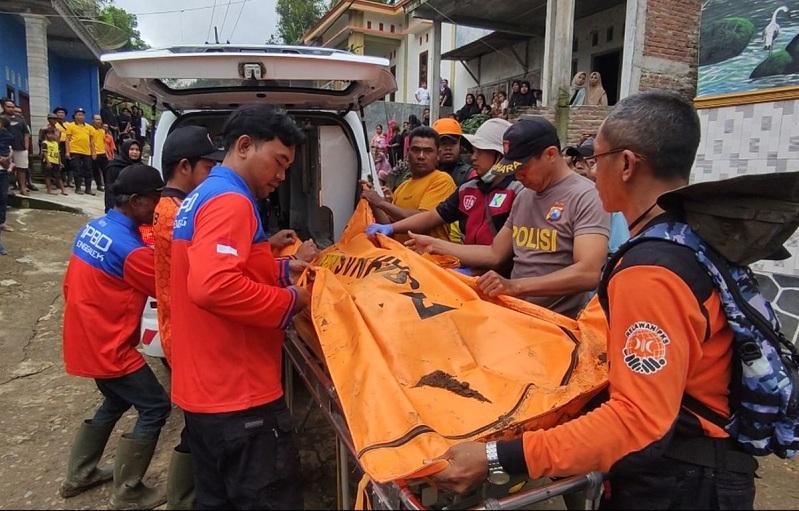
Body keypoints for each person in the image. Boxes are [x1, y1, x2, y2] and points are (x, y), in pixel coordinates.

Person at [426, 91, 758, 511]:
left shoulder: (651, 272)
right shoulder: (692, 238)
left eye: (596, 158)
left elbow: (636, 420)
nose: (590, 170)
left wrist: (496, 456)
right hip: (695, 465)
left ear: (626, 164)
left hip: (680, 481)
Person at [170, 105, 310, 509]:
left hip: (205, 390)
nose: (282, 176)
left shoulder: (201, 196)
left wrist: (280, 269)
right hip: (239, 396)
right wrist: (292, 300)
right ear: (245, 146)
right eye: (279, 162)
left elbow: (217, 267)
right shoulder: (231, 201)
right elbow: (214, 286)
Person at [406, 117, 610, 319]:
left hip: (557, 323)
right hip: (515, 316)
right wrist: (435, 245)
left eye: (522, 168)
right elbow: (494, 253)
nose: (517, 176)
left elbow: (588, 273)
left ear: (550, 154)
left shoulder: (586, 196)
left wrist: (515, 286)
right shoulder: (524, 196)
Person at [61, 164, 170, 509]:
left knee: (117, 399)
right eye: (155, 199)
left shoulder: (93, 228)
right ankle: (128, 491)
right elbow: (173, 290)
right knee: (155, 406)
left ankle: (79, 474)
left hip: (84, 334)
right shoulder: (131, 252)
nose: (159, 208)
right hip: (109, 346)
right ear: (136, 201)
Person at [368, 119, 523, 267]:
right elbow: (433, 216)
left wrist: (438, 247)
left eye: (479, 152)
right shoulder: (468, 189)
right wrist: (390, 226)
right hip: (461, 268)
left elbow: (497, 255)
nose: (473, 157)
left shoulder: (518, 192)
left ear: (500, 155)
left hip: (495, 277)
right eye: (473, 151)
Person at [362, 126, 456, 241]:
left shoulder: (442, 180)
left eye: (428, 151)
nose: (421, 156)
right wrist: (372, 200)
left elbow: (424, 220)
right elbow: (389, 227)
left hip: (429, 252)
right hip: (400, 251)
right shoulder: (402, 187)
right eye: (416, 150)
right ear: (408, 153)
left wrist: (381, 203)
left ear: (438, 155)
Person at [432, 118, 472, 186]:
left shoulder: (470, 174)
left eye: (453, 143)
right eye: (443, 143)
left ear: (460, 144)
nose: (448, 148)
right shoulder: (425, 171)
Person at [3, 99, 31, 195]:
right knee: (6, 168)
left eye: (12, 107)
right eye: (8, 107)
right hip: (5, 148)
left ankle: (22, 187)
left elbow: (26, 134)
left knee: (22, 168)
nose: (11, 109)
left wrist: (26, 147)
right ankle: (6, 188)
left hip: (20, 148)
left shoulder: (20, 119)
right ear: (3, 107)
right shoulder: (1, 119)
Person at [104, 139, 142, 212]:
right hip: (118, 206)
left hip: (135, 207)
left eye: (137, 150)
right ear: (125, 150)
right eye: (131, 149)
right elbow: (110, 190)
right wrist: (111, 209)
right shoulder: (115, 167)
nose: (135, 152)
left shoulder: (141, 168)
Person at [66, 108, 97, 195]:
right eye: (79, 115)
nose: (81, 116)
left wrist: (94, 152)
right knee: (77, 170)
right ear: (75, 116)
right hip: (75, 151)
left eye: (82, 115)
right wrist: (67, 152)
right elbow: (67, 140)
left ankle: (88, 189)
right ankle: (78, 188)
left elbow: (92, 141)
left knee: (88, 170)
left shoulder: (89, 127)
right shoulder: (70, 126)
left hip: (87, 152)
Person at [41, 128, 67, 196]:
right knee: (48, 176)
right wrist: (48, 162)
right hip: (48, 161)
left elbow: (58, 153)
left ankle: (63, 190)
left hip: (56, 162)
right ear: (46, 135)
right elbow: (45, 153)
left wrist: (60, 162)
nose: (51, 135)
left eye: (52, 134)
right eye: (49, 134)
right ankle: (49, 190)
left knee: (58, 176)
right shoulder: (45, 143)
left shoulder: (56, 143)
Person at [0, 115, 14, 237]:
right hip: (3, 166)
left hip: (3, 171)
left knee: (3, 197)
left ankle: (2, 222)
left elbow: (10, 151)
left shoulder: (7, 137)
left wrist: (6, 159)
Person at [53, 107, 71, 187]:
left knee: (69, 162)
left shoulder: (68, 124)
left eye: (62, 113)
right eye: (59, 112)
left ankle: (69, 180)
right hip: (58, 144)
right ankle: (62, 180)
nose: (61, 114)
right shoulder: (54, 124)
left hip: (68, 144)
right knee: (61, 162)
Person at [91, 114, 108, 191]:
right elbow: (90, 142)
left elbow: (104, 142)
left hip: (103, 153)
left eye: (99, 119)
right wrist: (93, 152)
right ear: (93, 120)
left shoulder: (102, 131)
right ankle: (99, 185)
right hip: (95, 153)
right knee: (96, 171)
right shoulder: (90, 129)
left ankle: (107, 185)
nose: (98, 121)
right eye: (96, 119)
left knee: (106, 170)